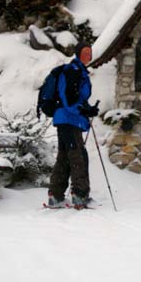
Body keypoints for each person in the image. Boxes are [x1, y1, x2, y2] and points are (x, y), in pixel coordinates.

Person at [47, 42, 99, 209]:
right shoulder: (73, 71)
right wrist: (83, 110)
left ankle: (55, 196)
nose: (88, 55)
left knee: (65, 157)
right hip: (69, 120)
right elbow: (69, 99)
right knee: (78, 157)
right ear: (78, 54)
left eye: (89, 53)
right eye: (84, 52)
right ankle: (80, 195)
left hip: (67, 120)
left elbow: (76, 99)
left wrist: (88, 109)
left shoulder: (79, 72)